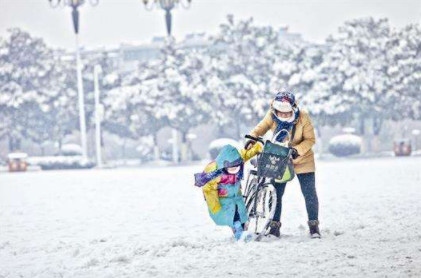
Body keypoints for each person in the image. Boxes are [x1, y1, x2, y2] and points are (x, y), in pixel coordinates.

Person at [245, 91, 321, 238]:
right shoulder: (271, 116)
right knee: (276, 193)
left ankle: (314, 226)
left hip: (302, 159)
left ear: (293, 108)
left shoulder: (303, 117)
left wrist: (297, 150)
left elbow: (310, 139)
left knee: (309, 192)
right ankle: (274, 226)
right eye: (281, 112)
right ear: (275, 110)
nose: (284, 115)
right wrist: (252, 137)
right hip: (279, 157)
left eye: (287, 112)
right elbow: (261, 127)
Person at [194, 143, 262, 240]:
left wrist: (257, 147)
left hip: (236, 196)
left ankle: (241, 232)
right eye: (231, 169)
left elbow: (246, 154)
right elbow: (209, 190)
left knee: (241, 213)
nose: (234, 170)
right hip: (221, 198)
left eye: (236, 168)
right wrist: (215, 207)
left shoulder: (237, 160)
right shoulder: (214, 172)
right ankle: (238, 231)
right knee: (232, 216)